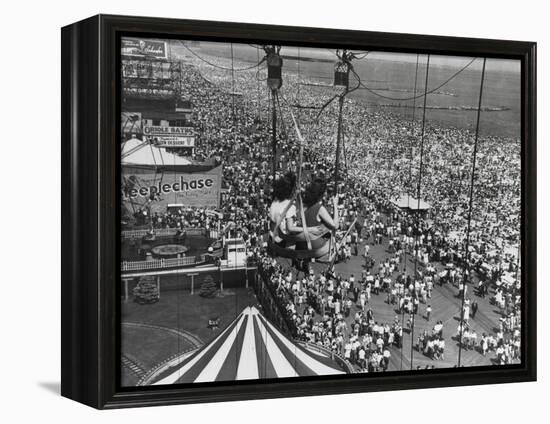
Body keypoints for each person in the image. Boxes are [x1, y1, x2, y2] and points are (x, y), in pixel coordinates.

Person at [294, 178, 339, 260]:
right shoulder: (319, 208)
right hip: (315, 246)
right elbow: (335, 225)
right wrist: (335, 204)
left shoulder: (304, 203)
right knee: (336, 242)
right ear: (321, 193)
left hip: (302, 243)